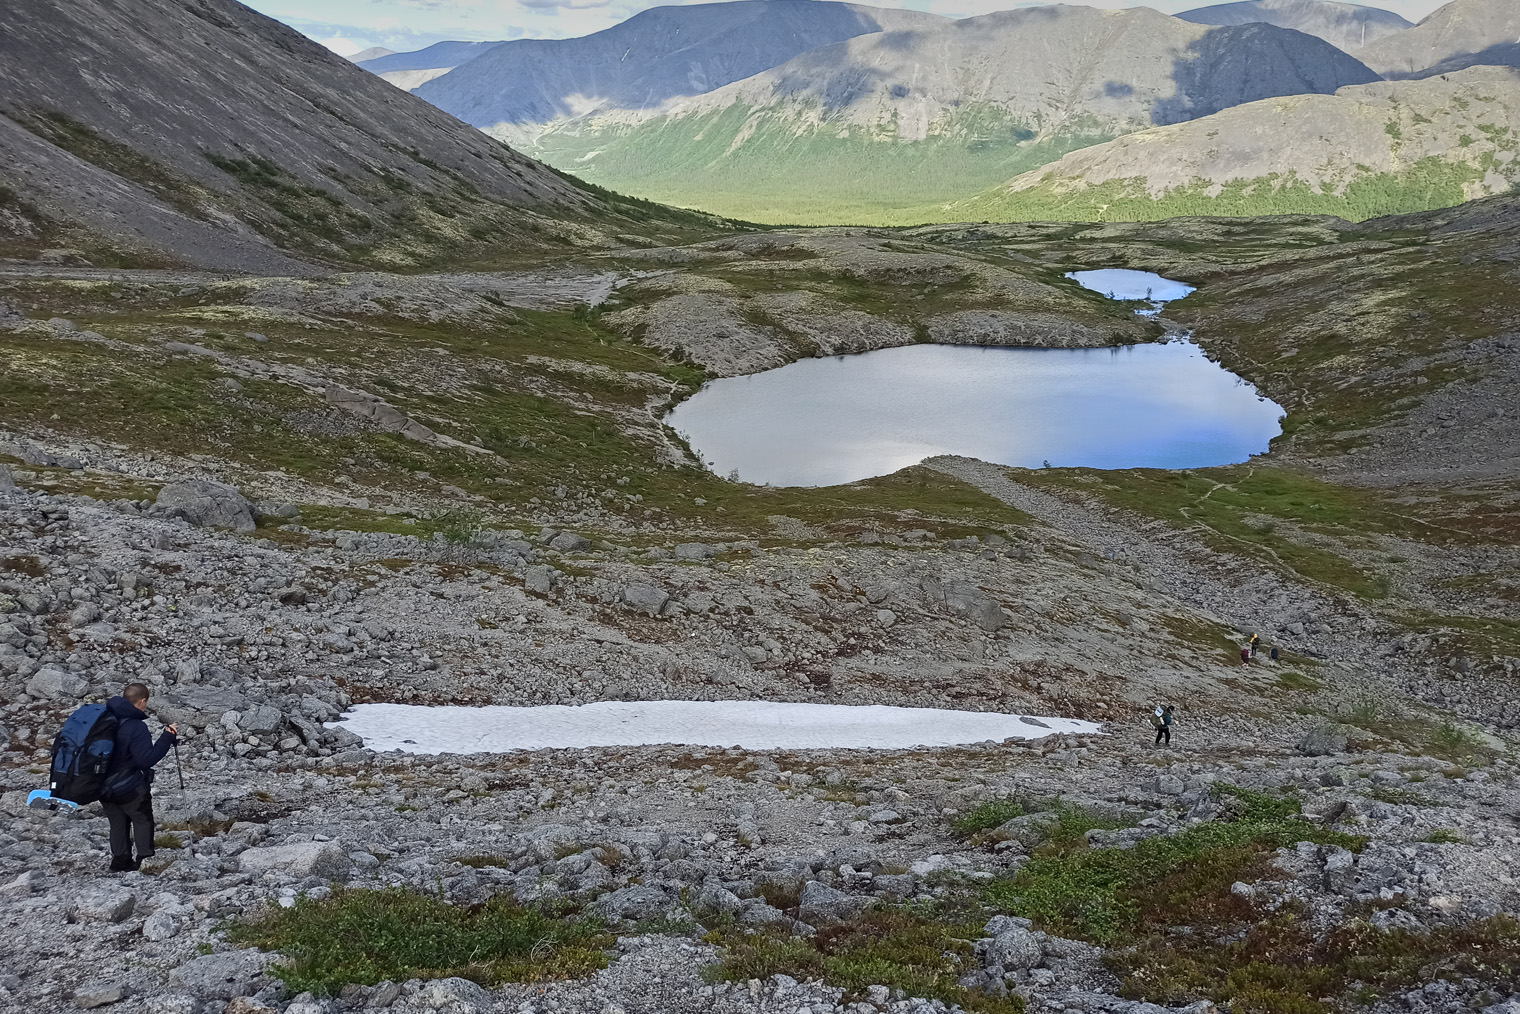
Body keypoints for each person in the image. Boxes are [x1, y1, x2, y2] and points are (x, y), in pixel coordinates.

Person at [101, 684, 178, 872]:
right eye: (146, 702)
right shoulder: (136, 726)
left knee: (118, 823)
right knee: (142, 819)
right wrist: (167, 737)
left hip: (103, 785)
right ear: (142, 701)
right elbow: (146, 760)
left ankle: (119, 862)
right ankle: (144, 860)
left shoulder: (106, 719)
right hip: (130, 786)